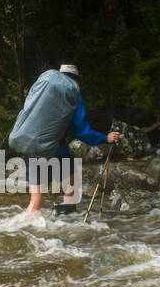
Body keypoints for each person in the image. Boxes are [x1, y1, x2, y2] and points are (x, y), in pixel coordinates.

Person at [25, 63, 120, 215]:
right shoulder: (73, 96)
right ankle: (66, 224)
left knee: (35, 202)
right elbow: (81, 131)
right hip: (58, 152)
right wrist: (104, 138)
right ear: (75, 80)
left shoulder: (41, 95)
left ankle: (23, 230)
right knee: (71, 189)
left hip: (33, 150)